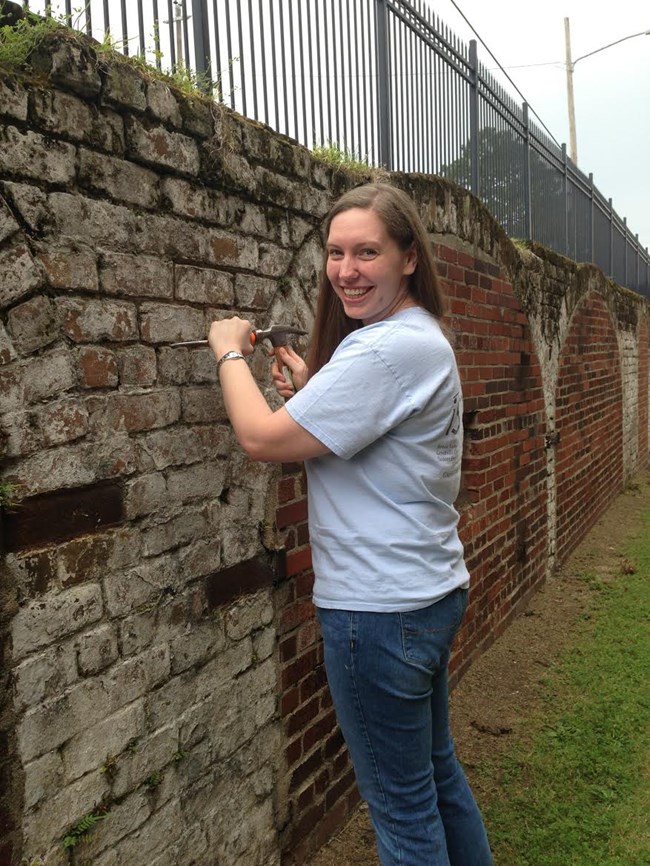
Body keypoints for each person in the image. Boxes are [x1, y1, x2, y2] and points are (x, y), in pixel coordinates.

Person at [207, 183, 493, 866]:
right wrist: (314, 391)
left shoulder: (384, 350)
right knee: (435, 774)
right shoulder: (417, 338)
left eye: (368, 251)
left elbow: (260, 437)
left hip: (378, 612)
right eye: (335, 252)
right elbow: (378, 440)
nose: (346, 270)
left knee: (402, 811)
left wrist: (226, 350)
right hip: (423, 597)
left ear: (409, 258)